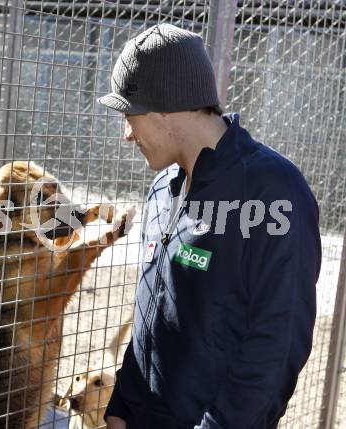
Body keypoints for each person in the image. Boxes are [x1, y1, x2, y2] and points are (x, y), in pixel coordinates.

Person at [96, 23, 321, 429]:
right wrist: (121, 408)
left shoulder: (273, 191)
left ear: (165, 108)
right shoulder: (163, 188)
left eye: (130, 115)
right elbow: (151, 311)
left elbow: (278, 343)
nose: (127, 133)